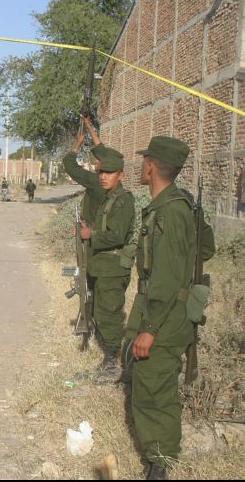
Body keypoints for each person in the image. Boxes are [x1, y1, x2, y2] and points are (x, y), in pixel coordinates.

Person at [127, 136, 215, 480]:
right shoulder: (180, 205)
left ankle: (160, 462)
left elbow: (164, 279)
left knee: (154, 390)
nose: (141, 166)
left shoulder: (170, 211)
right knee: (152, 382)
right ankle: (159, 457)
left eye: (143, 160)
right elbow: (204, 248)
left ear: (150, 166)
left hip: (164, 316)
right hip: (167, 311)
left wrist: (149, 329)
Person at [65, 117, 135, 382]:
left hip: (111, 266)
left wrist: (89, 233)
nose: (102, 176)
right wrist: (93, 135)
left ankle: (113, 361)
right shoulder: (110, 194)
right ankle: (108, 356)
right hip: (101, 264)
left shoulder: (120, 199)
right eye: (100, 171)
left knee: (109, 313)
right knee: (98, 308)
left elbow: (115, 235)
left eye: (107, 172)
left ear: (120, 175)